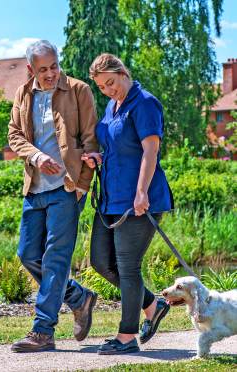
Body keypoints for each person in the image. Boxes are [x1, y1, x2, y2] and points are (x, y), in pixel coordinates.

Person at [8, 40, 99, 352]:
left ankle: (42, 331)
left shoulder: (78, 90)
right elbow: (14, 135)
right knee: (27, 254)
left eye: (54, 66)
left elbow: (90, 139)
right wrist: (35, 157)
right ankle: (78, 297)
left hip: (67, 189)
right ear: (31, 69)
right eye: (43, 69)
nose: (50, 74)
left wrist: (83, 187)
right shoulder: (23, 93)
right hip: (34, 187)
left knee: (55, 260)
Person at [82, 53, 173, 355]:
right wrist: (98, 157)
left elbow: (150, 151)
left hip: (138, 200)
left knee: (128, 267)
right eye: (102, 87)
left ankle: (127, 336)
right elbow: (115, 147)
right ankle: (151, 304)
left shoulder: (144, 102)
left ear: (122, 72)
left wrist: (142, 192)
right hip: (110, 199)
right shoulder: (112, 106)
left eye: (111, 83)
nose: (108, 90)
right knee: (100, 261)